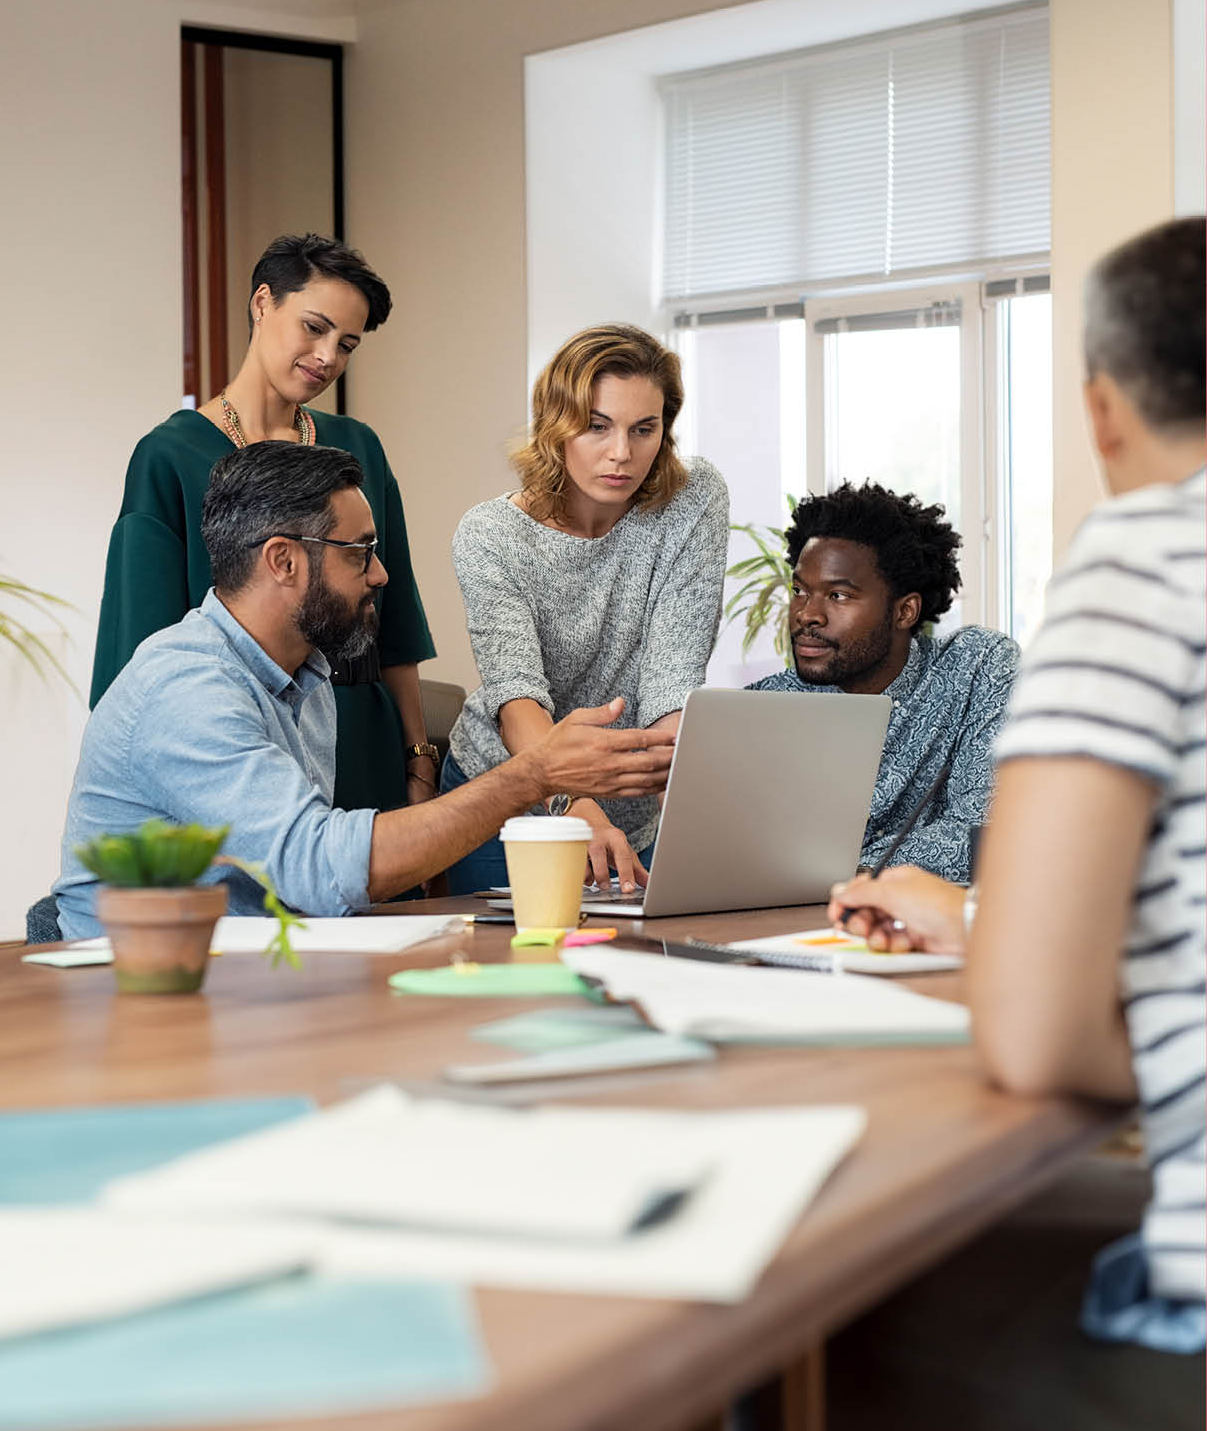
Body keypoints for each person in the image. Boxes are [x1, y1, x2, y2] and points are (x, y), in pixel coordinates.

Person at [826, 216, 1205, 1431]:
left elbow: (1034, 1039)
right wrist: (985, 918)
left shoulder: (1144, 560)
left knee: (819, 1317)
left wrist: (1012, 961)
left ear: (1100, 411)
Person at [53, 443, 675, 941]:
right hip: (140, 993)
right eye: (361, 552)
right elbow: (318, 867)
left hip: (257, 972)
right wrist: (532, 774)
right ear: (283, 560)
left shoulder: (306, 674)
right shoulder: (186, 686)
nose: (380, 574)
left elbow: (304, 882)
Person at [89, 233, 438, 815]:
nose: (328, 356)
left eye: (347, 343)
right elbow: (138, 649)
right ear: (262, 303)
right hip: (234, 746)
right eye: (314, 327)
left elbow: (392, 620)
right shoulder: (170, 456)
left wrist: (418, 757)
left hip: (362, 742)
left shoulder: (359, 450)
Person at [441, 323, 728, 895]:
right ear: (557, 426)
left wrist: (702, 816)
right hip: (510, 799)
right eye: (597, 427)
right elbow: (517, 699)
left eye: (644, 429)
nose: (622, 453)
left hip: (630, 808)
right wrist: (577, 806)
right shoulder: (491, 534)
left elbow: (674, 681)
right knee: (516, 973)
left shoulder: (694, 500)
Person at [749, 481, 1018, 885]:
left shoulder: (976, 667)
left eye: (838, 596)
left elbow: (985, 835)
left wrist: (842, 870)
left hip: (924, 927)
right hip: (784, 922)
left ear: (905, 611)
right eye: (800, 591)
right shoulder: (767, 706)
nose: (807, 615)